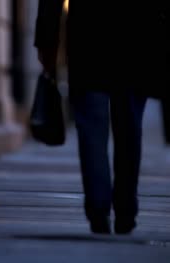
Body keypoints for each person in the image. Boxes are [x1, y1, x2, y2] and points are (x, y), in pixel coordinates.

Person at [35, 1, 169, 234]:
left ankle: (98, 209)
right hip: (136, 42)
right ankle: (126, 210)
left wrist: (46, 39)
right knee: (129, 129)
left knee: (91, 131)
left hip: (89, 42)